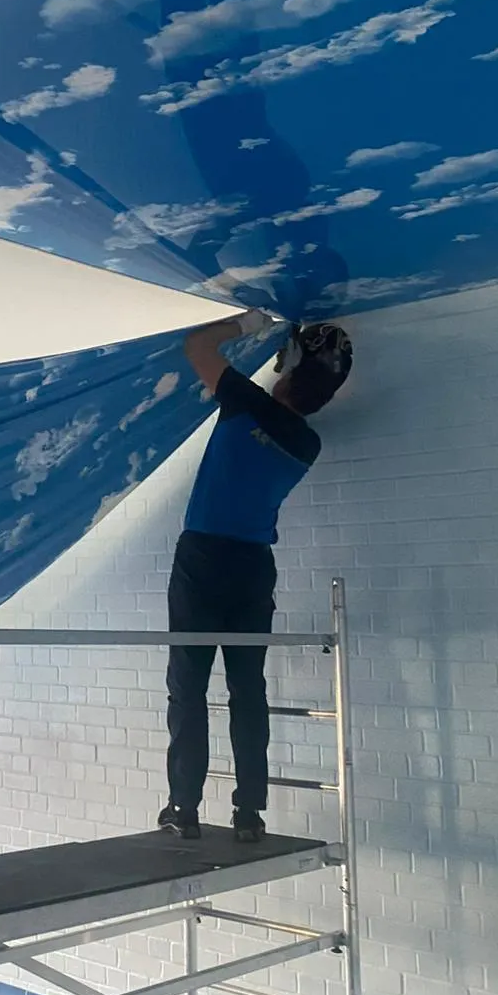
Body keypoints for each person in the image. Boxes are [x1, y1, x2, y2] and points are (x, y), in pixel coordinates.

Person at [158, 310, 353, 842]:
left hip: (204, 558)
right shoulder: (307, 445)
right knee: (247, 689)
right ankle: (249, 813)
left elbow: (198, 347)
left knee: (188, 685)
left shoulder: (247, 403)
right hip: (253, 568)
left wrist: (250, 324)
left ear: (288, 371)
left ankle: (184, 807)